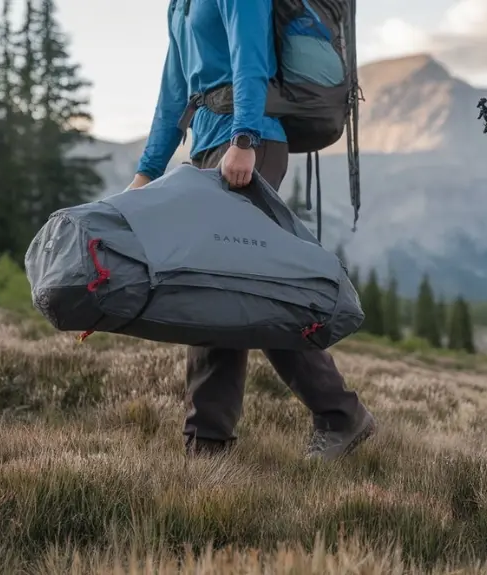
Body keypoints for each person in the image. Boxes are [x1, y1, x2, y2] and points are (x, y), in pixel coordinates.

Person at [128, 0, 376, 461]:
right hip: (207, 149)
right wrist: (147, 170)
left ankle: (209, 441)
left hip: (250, 144)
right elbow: (174, 89)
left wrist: (243, 138)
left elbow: (251, 60)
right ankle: (337, 414)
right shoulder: (179, 5)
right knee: (233, 289)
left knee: (221, 286)